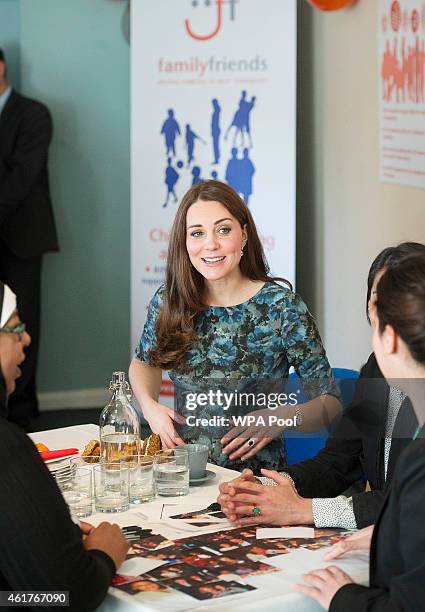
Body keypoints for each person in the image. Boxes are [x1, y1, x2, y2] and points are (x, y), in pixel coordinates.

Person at [129, 180, 340, 473]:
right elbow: (143, 363)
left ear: (244, 235)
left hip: (254, 482)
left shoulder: (281, 307)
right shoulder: (170, 301)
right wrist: (149, 408)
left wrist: (282, 416)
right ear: (184, 242)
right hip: (182, 473)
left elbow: (329, 403)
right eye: (197, 233)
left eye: (223, 230)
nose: (211, 244)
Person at [217, 242, 425, 528]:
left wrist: (306, 510)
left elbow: (410, 504)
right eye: (378, 299)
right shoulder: (376, 368)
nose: (385, 312)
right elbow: (340, 460)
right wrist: (266, 487)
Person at [296, 252, 425, 610]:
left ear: (392, 338)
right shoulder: (374, 372)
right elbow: (341, 458)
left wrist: (344, 598)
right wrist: (277, 485)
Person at [0, 281, 129, 610]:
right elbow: (66, 596)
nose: (26, 338)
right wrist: (104, 552)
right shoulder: (6, 448)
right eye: (15, 327)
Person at [0, 48, 59, 429]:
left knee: (23, 329)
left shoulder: (34, 113)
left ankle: (19, 422)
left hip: (20, 239)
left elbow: (22, 177)